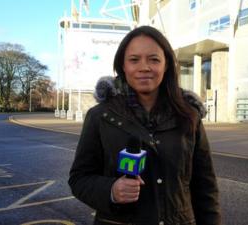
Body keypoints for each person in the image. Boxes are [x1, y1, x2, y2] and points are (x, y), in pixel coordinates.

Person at [68, 25, 221, 225]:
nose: (144, 67)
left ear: (166, 65)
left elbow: (205, 187)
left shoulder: (189, 116)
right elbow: (79, 179)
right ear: (122, 65)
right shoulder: (100, 116)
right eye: (134, 60)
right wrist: (111, 190)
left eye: (154, 59)